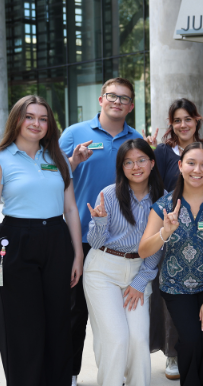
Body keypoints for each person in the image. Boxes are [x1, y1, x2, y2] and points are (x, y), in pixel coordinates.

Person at [0, 95, 83, 386]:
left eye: (43, 118)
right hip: (16, 241)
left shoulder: (57, 157)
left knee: (58, 322)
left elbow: (70, 208)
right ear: (17, 120)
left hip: (56, 240)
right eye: (30, 117)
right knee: (21, 324)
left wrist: (77, 255)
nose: (37, 123)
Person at [59, 77, 141, 386]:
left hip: (121, 242)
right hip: (80, 237)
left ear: (131, 106)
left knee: (115, 319)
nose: (117, 102)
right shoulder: (75, 133)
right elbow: (54, 173)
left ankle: (113, 374)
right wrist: (73, 160)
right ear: (101, 100)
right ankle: (70, 373)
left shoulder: (136, 138)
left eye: (124, 98)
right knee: (75, 314)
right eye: (112, 96)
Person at [138, 142, 203, 386]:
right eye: (191, 163)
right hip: (176, 285)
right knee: (191, 339)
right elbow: (143, 250)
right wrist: (164, 232)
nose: (197, 170)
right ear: (181, 166)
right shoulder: (164, 205)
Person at [82, 139, 164, 386]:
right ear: (121, 167)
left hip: (139, 270)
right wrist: (101, 222)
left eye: (141, 160)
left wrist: (141, 280)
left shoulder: (163, 199)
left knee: (139, 340)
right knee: (115, 338)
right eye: (128, 162)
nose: (135, 166)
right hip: (103, 269)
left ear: (151, 163)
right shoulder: (109, 194)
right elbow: (95, 243)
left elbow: (159, 244)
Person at [144, 98, 203, 379]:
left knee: (199, 289)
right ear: (172, 123)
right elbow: (152, 186)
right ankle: (172, 353)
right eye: (177, 120)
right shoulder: (163, 152)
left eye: (188, 119)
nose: (183, 125)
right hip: (168, 228)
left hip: (201, 230)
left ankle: (198, 347)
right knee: (169, 289)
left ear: (197, 120)